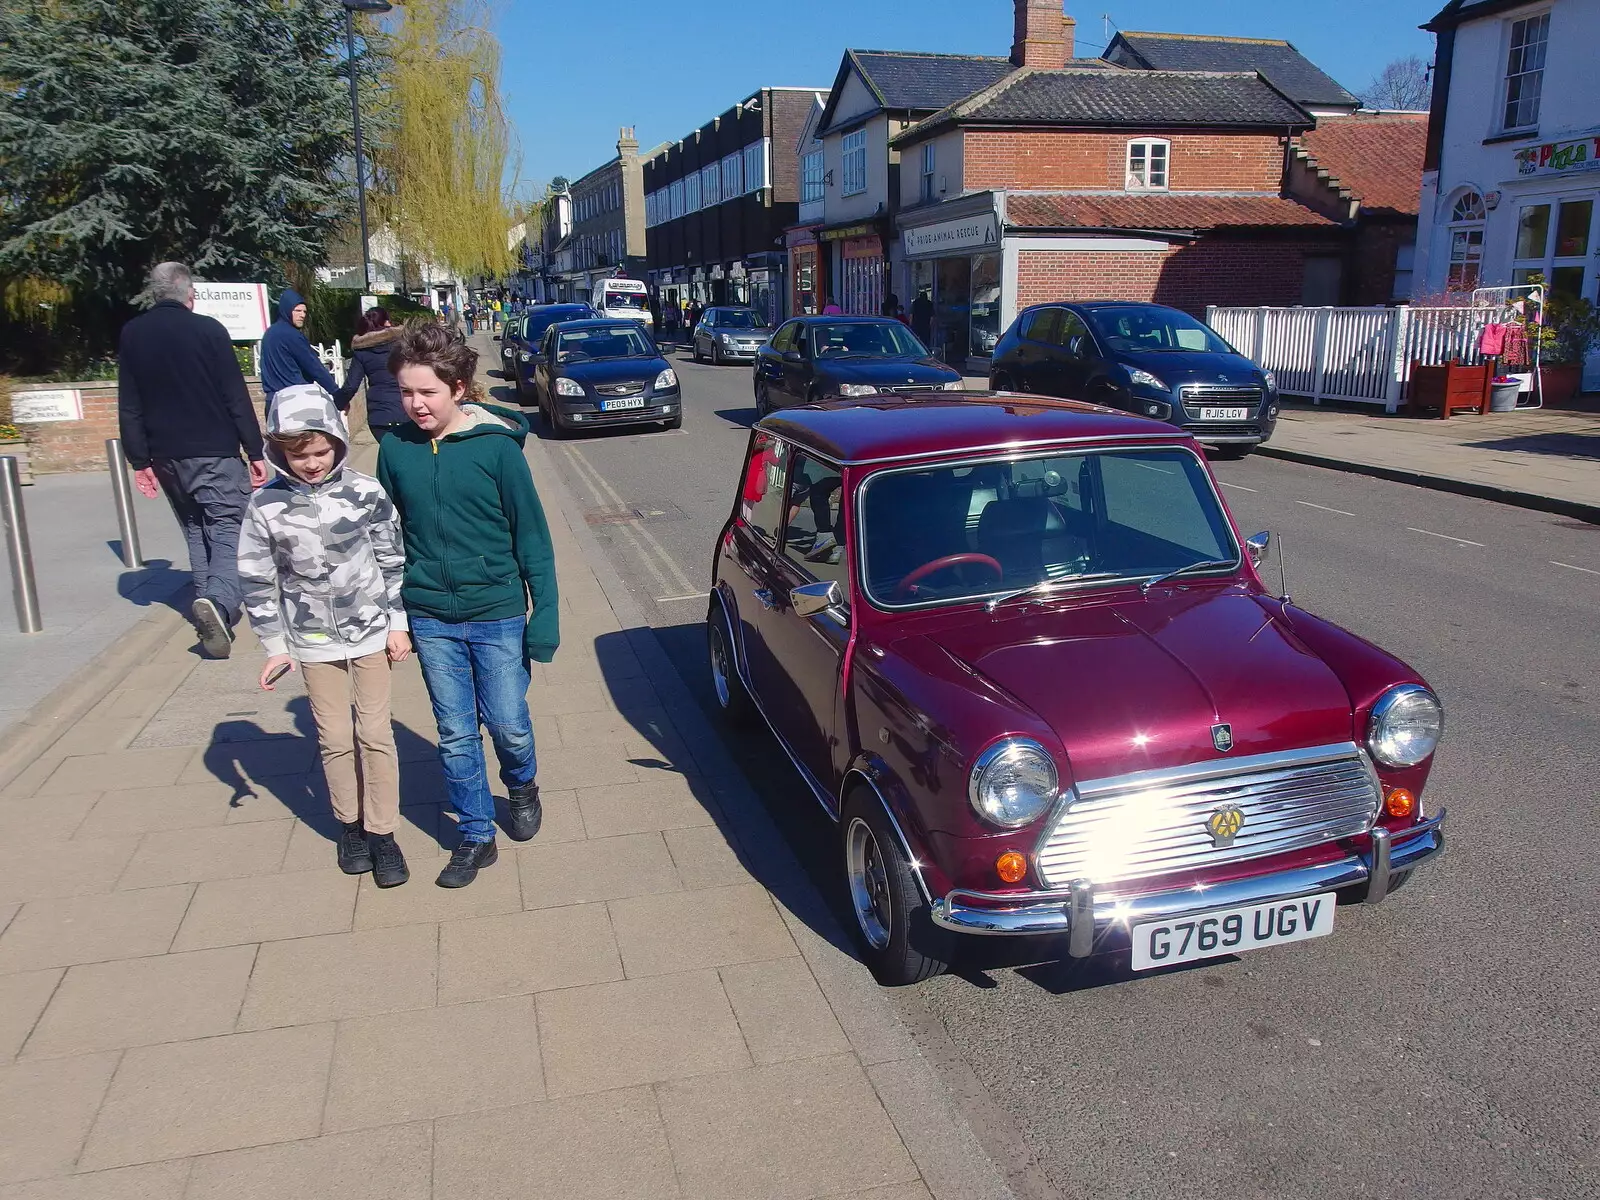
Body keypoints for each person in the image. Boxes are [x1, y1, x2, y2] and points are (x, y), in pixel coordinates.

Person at [378, 320, 559, 888]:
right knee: (456, 731)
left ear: (458, 387)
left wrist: (544, 615)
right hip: (430, 614)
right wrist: (394, 618)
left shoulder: (498, 450)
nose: (416, 404)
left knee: (507, 722)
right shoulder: (394, 450)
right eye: (406, 392)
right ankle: (476, 835)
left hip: (498, 612)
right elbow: (385, 539)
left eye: (427, 391)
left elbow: (532, 536)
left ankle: (522, 782)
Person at [237, 384, 412, 887]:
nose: (312, 463)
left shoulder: (364, 491)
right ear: (280, 452)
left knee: (375, 734)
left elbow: (391, 557)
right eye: (299, 454)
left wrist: (398, 623)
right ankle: (350, 826)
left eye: (320, 451)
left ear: (337, 441)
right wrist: (274, 646)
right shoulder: (266, 505)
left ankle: (383, 833)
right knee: (335, 736)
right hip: (312, 640)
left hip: (373, 632)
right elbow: (255, 576)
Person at [117, 262, 269, 659]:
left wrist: (139, 461)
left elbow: (129, 404)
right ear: (190, 293)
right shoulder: (209, 331)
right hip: (214, 451)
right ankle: (218, 605)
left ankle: (206, 605)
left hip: (165, 456)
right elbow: (235, 395)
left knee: (193, 527)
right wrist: (255, 450)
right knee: (227, 529)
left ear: (155, 292)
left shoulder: (133, 334)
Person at [336, 307, 407, 441]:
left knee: (388, 457)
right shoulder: (403, 345)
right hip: (406, 412)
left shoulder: (362, 351)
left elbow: (351, 386)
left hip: (379, 417)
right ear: (387, 323)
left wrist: (338, 403)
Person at [260, 288, 340, 402]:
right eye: (298, 311)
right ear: (287, 310)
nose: (302, 315)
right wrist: (337, 393)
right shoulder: (292, 335)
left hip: (272, 401)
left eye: (304, 312)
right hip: (293, 401)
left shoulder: (269, 334)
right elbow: (314, 366)